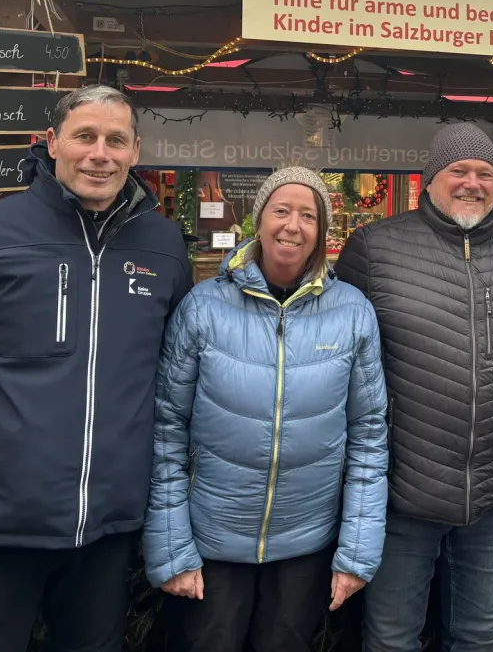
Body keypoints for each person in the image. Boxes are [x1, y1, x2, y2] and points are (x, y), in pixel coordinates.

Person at [0, 84, 193, 652]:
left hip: (108, 533)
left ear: (135, 151)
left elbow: (176, 383)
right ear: (51, 143)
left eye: (115, 140)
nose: (100, 152)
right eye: (84, 136)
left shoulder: (164, 247)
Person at [336, 122, 493, 652]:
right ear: (429, 180)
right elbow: (340, 366)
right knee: (391, 638)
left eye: (484, 173)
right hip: (402, 492)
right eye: (458, 171)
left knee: (478, 637)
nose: (472, 183)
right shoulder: (374, 251)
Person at [144, 167, 388, 652]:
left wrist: (356, 554)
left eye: (307, 215)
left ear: (321, 231)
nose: (292, 226)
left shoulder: (353, 311)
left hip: (306, 543)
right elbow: (166, 427)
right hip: (211, 539)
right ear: (259, 220)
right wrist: (172, 548)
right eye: (281, 210)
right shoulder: (204, 307)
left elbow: (368, 435)